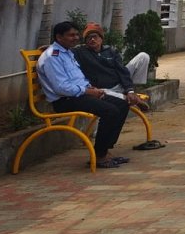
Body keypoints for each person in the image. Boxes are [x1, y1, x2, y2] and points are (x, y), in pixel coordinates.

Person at [36, 22, 130, 169]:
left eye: (76, 34)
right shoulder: (52, 57)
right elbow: (61, 88)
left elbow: (76, 78)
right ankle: (100, 156)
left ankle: (105, 150)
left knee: (122, 104)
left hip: (80, 94)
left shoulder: (67, 52)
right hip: (65, 100)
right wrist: (87, 91)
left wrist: (89, 88)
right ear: (59, 37)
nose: (76, 38)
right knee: (110, 111)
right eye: (71, 35)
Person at [72, 23, 150, 111]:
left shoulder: (110, 51)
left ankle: (133, 92)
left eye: (95, 37)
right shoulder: (80, 52)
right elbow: (65, 49)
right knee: (101, 92)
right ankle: (133, 100)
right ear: (85, 41)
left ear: (101, 39)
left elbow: (122, 70)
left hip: (119, 84)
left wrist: (129, 90)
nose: (92, 39)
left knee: (143, 56)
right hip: (102, 89)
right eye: (89, 38)